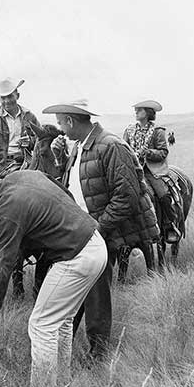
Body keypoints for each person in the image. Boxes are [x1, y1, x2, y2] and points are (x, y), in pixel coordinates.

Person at [0, 165, 107, 387]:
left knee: (41, 325)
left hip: (76, 256)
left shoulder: (4, 211)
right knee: (62, 322)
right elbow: (66, 194)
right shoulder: (22, 176)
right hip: (94, 243)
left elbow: (1, 266)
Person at [45, 100, 159, 360]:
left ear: (71, 121)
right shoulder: (78, 147)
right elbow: (76, 184)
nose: (60, 129)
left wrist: (99, 228)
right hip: (81, 233)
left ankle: (98, 357)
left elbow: (127, 195)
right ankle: (67, 352)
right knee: (77, 293)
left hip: (96, 234)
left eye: (60, 123)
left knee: (96, 296)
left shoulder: (111, 146)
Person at [0, 77, 40, 299]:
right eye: (3, 98)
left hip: (27, 164)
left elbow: (41, 142)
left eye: (10, 97)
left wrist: (30, 144)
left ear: (17, 96)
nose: (6, 101)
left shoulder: (30, 116)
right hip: (2, 169)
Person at [122, 100, 181, 243]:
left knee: (163, 194)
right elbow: (124, 150)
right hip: (132, 170)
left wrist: (148, 153)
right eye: (136, 109)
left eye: (139, 109)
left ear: (148, 112)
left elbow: (163, 152)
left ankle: (169, 225)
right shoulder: (129, 131)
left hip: (151, 171)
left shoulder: (157, 131)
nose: (136, 111)